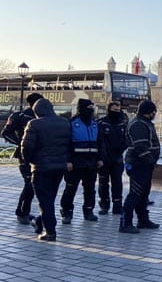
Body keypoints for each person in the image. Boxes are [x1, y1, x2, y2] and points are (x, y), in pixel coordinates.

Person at [20, 98, 71, 241]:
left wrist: (28, 161)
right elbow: (69, 144)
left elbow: (26, 147)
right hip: (59, 167)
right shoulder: (64, 122)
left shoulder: (34, 124)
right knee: (50, 198)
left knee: (44, 201)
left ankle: (50, 232)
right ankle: (39, 222)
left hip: (41, 167)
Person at [119, 100, 161, 233]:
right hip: (138, 164)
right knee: (135, 193)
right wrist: (150, 160)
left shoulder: (145, 122)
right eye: (153, 111)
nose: (155, 114)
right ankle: (125, 223)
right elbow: (140, 146)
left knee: (143, 194)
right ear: (149, 112)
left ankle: (143, 220)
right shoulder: (138, 124)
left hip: (144, 164)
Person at [2, 92, 43, 224]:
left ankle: (28, 212)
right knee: (29, 183)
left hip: (40, 156)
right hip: (24, 156)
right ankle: (22, 212)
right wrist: (21, 143)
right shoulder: (20, 116)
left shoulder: (43, 117)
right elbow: (6, 133)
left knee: (36, 185)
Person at [59, 99, 102, 224]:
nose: (91, 110)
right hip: (75, 163)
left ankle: (88, 211)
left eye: (92, 107)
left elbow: (100, 143)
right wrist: (68, 161)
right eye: (89, 107)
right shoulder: (72, 123)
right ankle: (67, 212)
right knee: (70, 189)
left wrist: (100, 158)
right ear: (82, 108)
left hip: (92, 163)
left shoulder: (95, 124)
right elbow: (66, 144)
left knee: (90, 189)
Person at [97, 100, 128, 215]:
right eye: (114, 110)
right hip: (104, 159)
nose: (117, 112)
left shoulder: (123, 123)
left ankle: (117, 205)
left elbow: (127, 139)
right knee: (103, 182)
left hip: (117, 158)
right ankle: (104, 205)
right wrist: (103, 153)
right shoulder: (101, 123)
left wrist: (121, 149)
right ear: (109, 109)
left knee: (117, 182)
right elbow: (98, 140)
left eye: (118, 110)